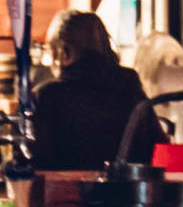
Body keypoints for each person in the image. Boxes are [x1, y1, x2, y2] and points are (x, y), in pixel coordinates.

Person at [28, 9, 151, 172]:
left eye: (52, 51)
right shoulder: (130, 87)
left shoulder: (49, 96)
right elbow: (154, 147)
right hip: (128, 194)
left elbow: (34, 161)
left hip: (64, 195)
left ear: (65, 51)